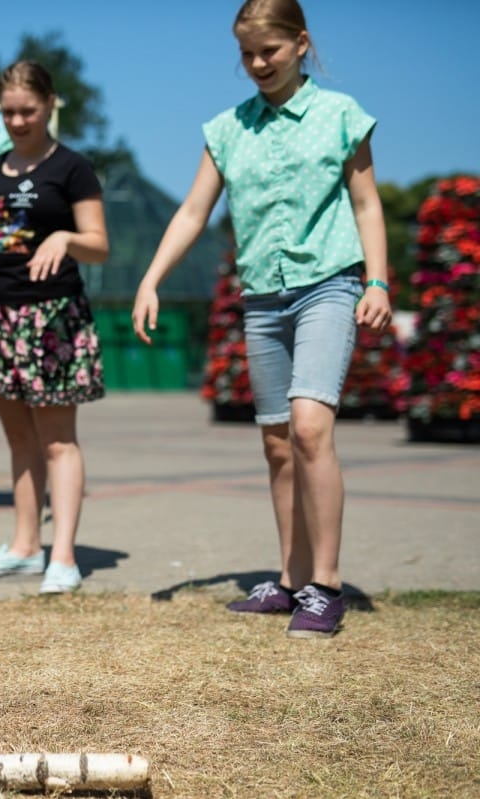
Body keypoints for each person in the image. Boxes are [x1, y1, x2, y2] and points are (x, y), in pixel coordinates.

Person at [131, 0, 391, 638]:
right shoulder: (226, 129)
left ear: (300, 44)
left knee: (309, 428)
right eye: (245, 53)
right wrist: (151, 277)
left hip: (328, 286)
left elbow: (366, 202)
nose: (255, 64)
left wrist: (379, 279)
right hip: (262, 299)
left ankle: (326, 586)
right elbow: (193, 211)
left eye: (267, 51)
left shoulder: (339, 115)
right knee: (277, 443)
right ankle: (293, 580)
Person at [0, 61, 109, 595]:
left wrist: (66, 238)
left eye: (28, 110)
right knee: (19, 439)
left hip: (52, 316)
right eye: (8, 112)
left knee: (58, 442)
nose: (17, 120)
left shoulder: (72, 168)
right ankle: (24, 547)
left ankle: (62, 556)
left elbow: (100, 242)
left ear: (50, 105)